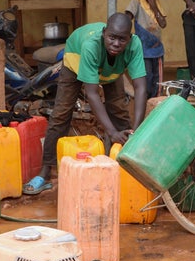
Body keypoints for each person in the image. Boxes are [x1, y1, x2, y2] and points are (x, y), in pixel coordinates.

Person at [23, 13, 148, 194]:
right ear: (104, 33)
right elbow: (92, 93)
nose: (116, 43)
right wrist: (111, 132)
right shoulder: (91, 46)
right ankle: (45, 172)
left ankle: (125, 169)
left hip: (111, 71)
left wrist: (136, 131)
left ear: (130, 38)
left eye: (122, 39)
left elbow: (141, 88)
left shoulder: (134, 45)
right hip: (75, 62)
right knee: (61, 114)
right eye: (112, 37)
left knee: (119, 112)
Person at [125, 0, 167, 98]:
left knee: (157, 81)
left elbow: (163, 24)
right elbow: (126, 18)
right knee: (145, 80)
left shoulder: (157, 3)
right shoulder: (136, 2)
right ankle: (144, 102)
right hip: (142, 51)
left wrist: (154, 6)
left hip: (157, 50)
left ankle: (154, 104)